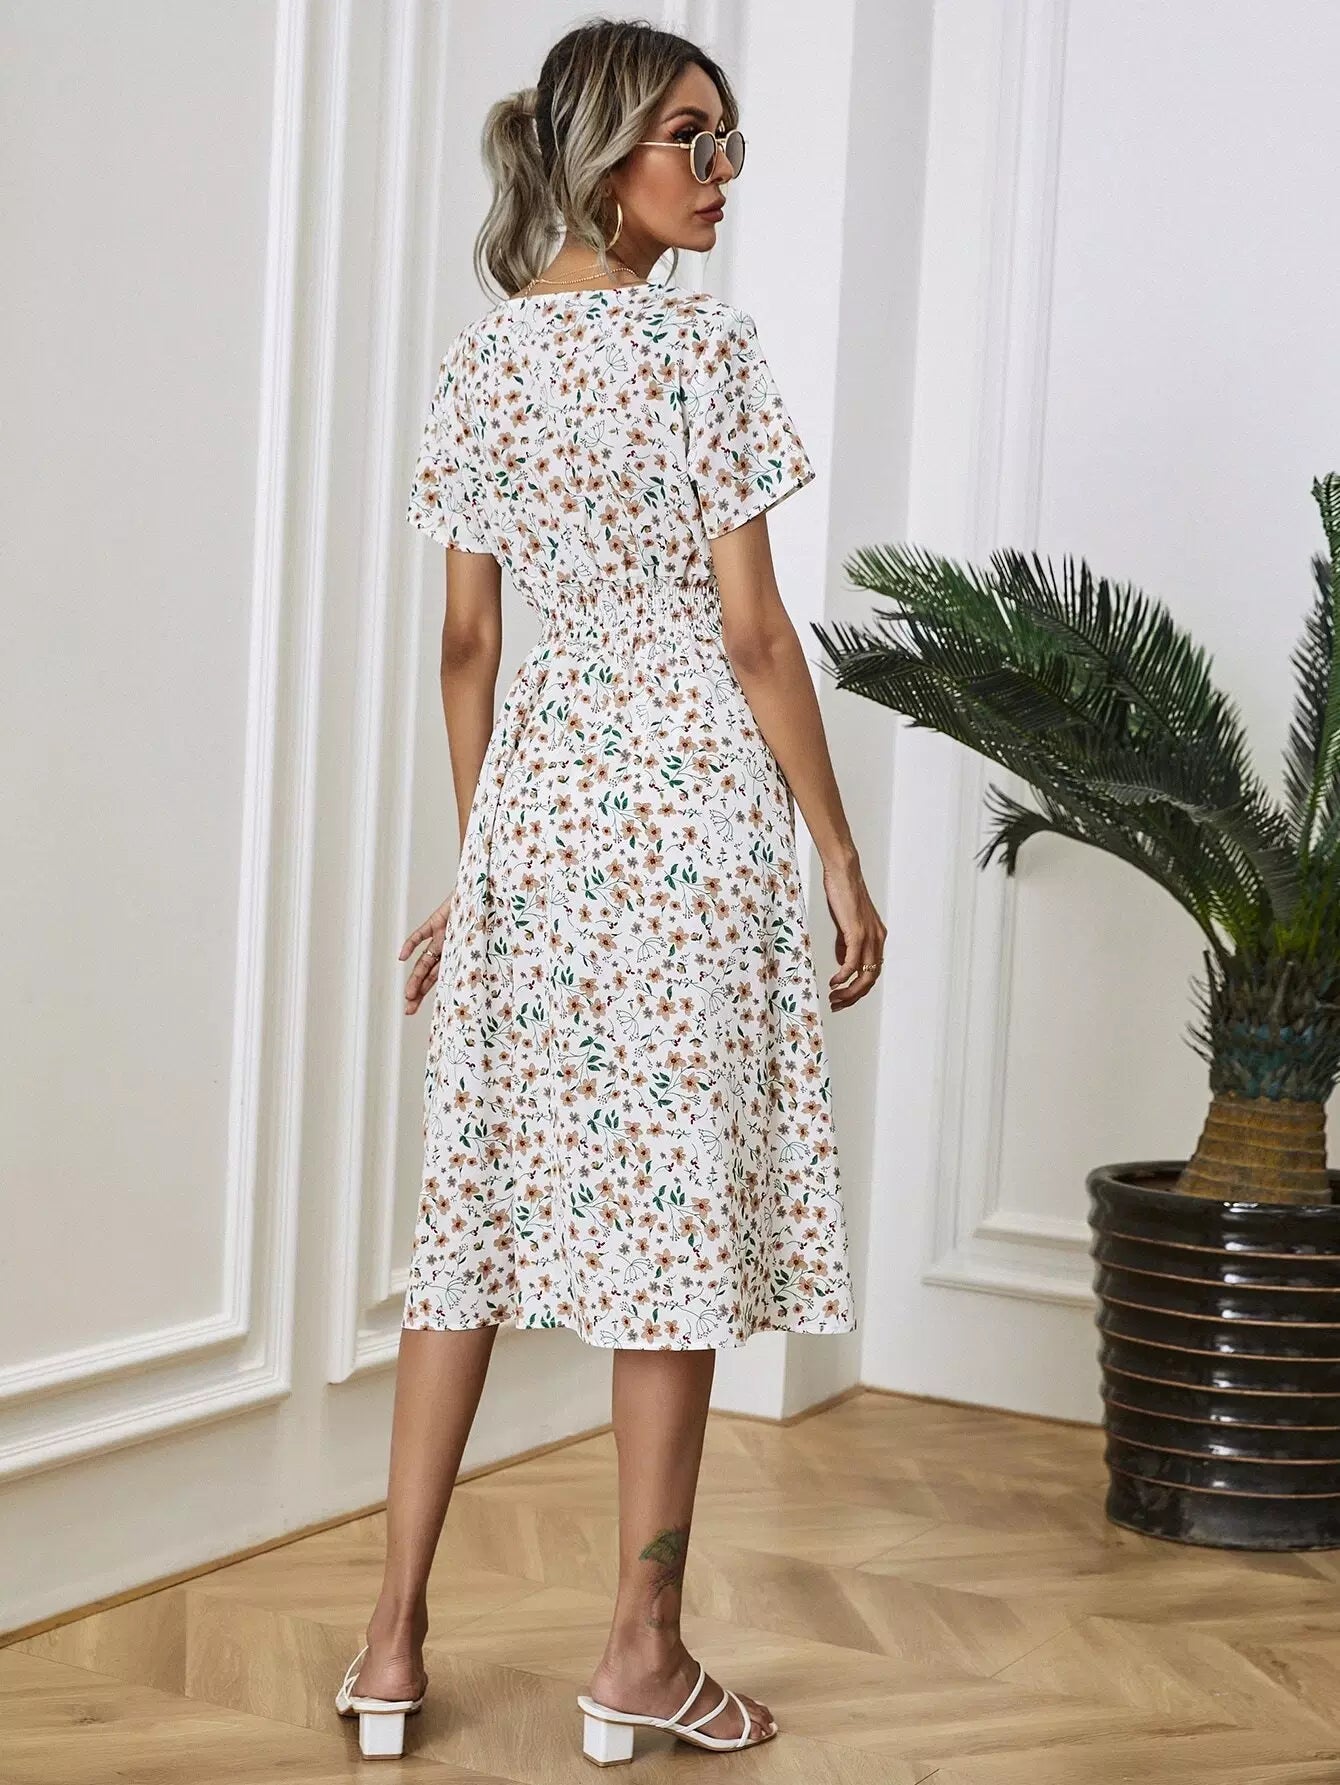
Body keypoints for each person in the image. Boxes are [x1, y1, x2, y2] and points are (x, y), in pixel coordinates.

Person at [335, 15, 886, 1765]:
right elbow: (754, 634)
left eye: (730, 141)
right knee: (675, 1237)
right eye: (688, 140)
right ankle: (640, 1653)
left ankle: (389, 1642)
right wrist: (837, 847)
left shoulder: (482, 360)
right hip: (697, 831)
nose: (720, 174)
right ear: (601, 159)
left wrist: (487, 856)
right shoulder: (698, 349)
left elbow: (466, 641)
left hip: (539, 817)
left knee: (467, 1223)